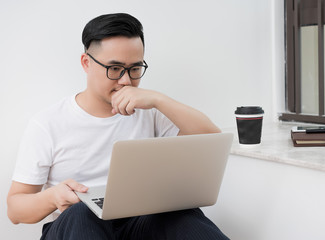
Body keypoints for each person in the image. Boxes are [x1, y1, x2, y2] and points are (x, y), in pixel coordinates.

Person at [7, 13, 228, 240]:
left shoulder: (149, 111)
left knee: (180, 214)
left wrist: (158, 99)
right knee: (83, 212)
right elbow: (15, 210)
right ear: (86, 63)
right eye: (114, 69)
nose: (126, 81)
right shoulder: (48, 124)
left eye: (135, 69)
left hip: (138, 225)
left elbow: (211, 138)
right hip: (75, 227)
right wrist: (53, 197)